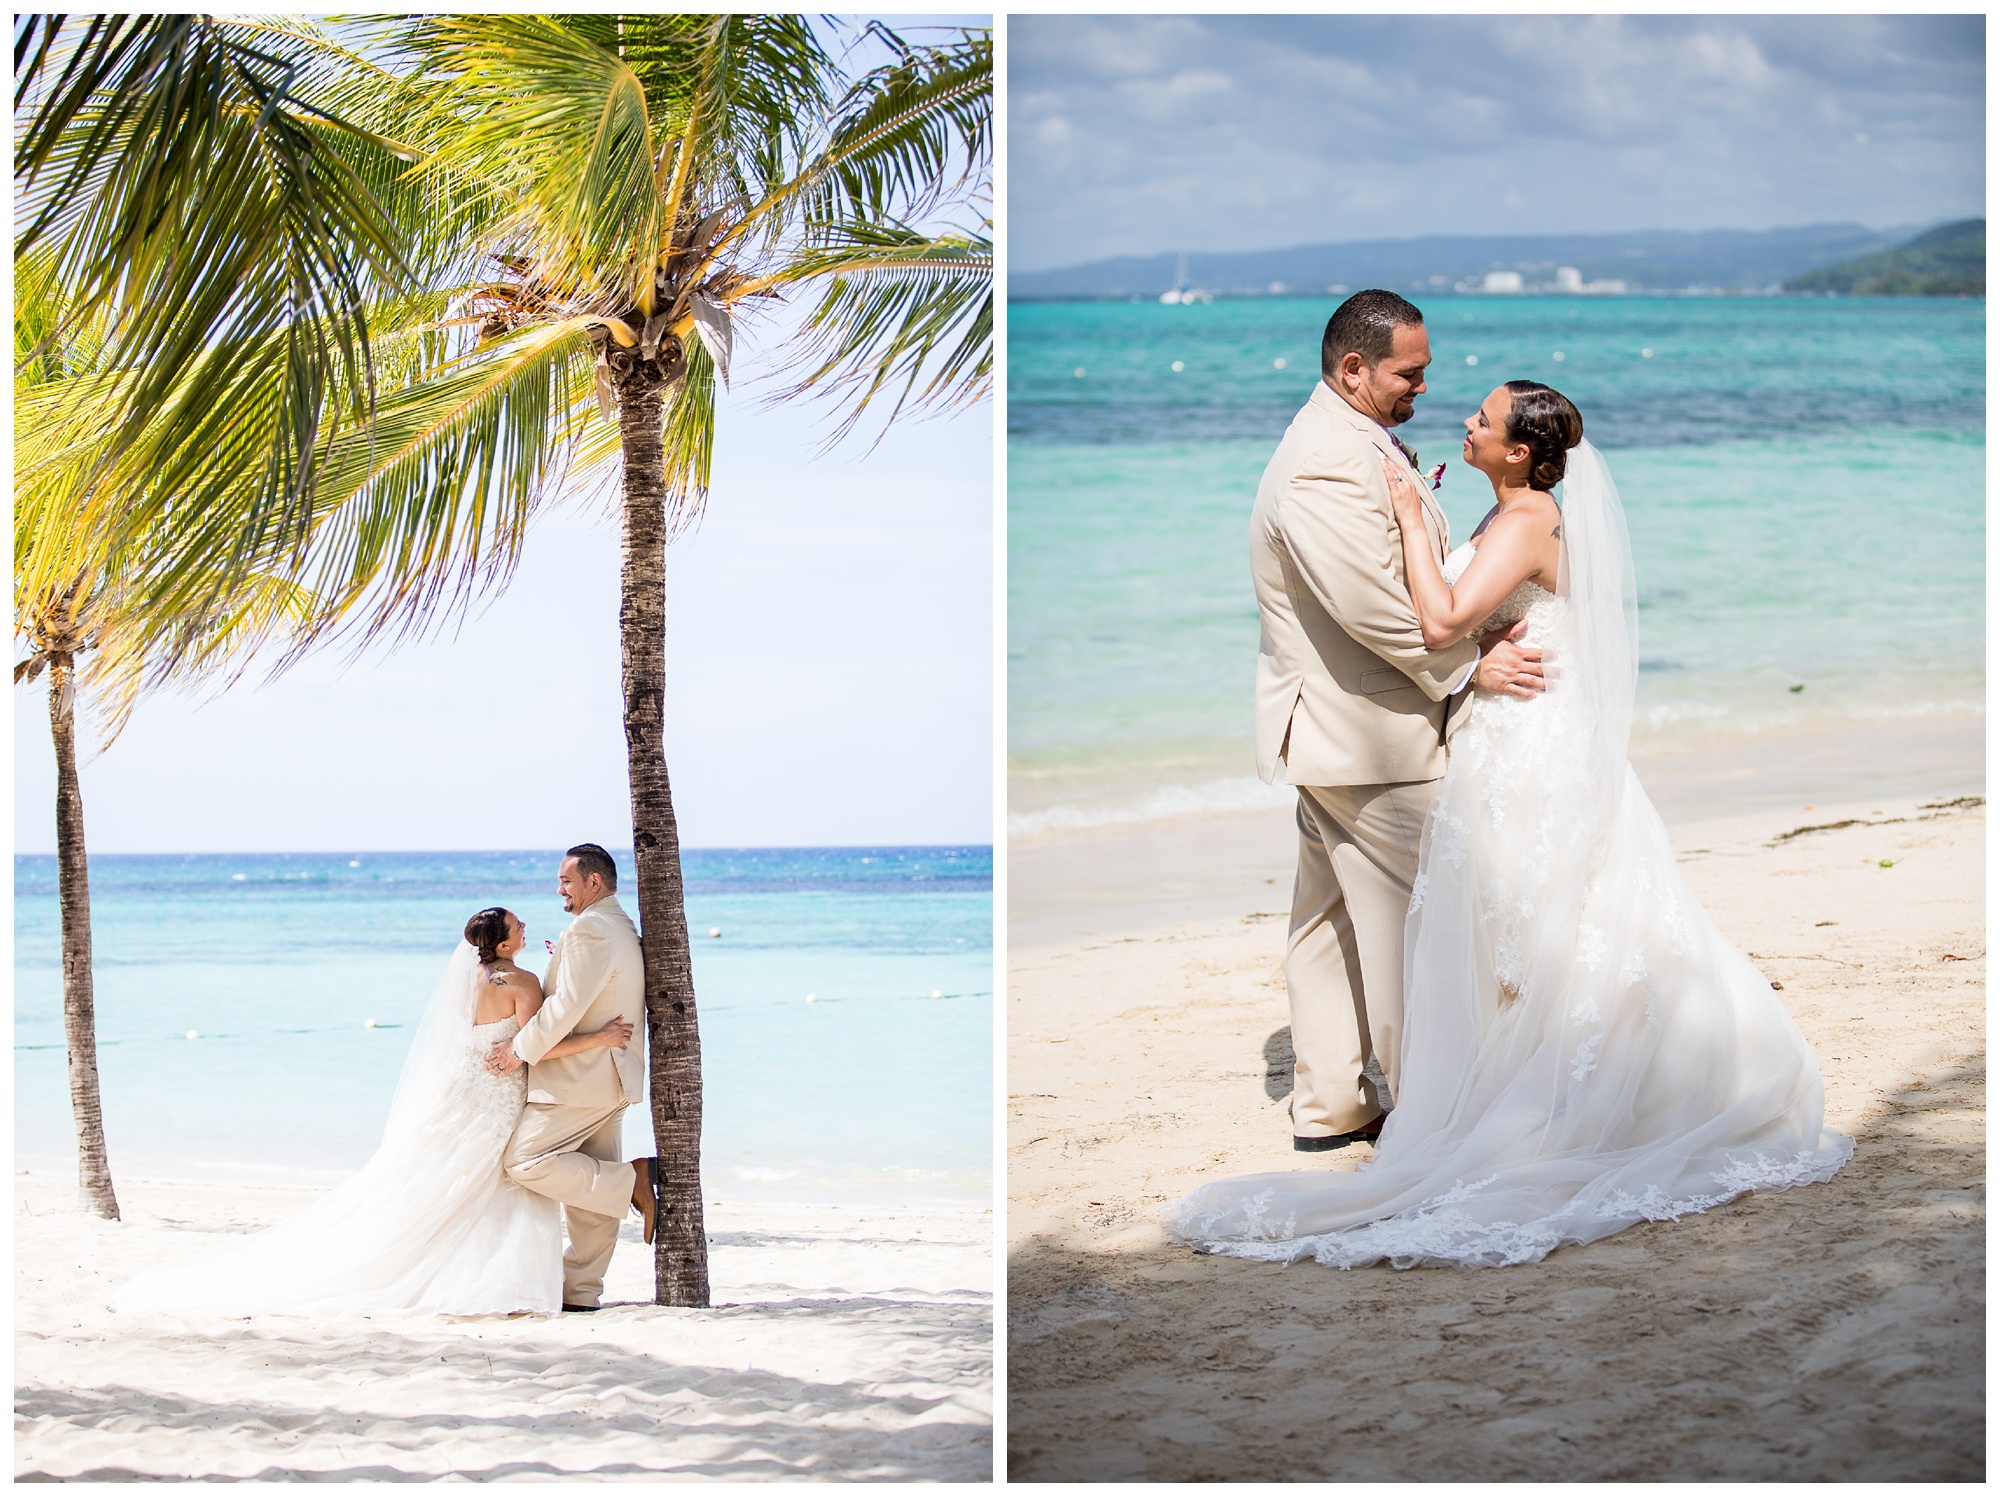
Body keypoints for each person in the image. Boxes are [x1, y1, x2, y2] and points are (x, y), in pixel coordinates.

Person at [1169, 379, 1852, 1269]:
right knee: (1519, 922)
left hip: (1530, 741)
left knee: (1532, 921)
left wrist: (1414, 525)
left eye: (1483, 421)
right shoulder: (1510, 514)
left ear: (1522, 452)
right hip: (1496, 737)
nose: (1465, 421)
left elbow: (1446, 616)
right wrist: (1442, 555)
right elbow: (1465, 621)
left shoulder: (1529, 520)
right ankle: (1429, 1090)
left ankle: (1523, 1098)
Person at [1246, 289, 1546, 1154]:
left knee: (1328, 923)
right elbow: (1370, 607)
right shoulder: (1321, 463)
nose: (1423, 388)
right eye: (1409, 373)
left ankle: (1333, 1106)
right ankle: (1435, 1112)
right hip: (1372, 736)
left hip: (1340, 732)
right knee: (1420, 931)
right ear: (1353, 369)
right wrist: (1469, 665)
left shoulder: (1350, 439)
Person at [117, 907, 634, 1317]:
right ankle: (511, 1280)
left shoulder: (476, 978)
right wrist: (602, 1037)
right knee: (498, 1182)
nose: (526, 928)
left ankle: (491, 1279)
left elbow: (486, 1039)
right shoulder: (519, 983)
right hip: (497, 1096)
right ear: (502, 943)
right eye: (519, 927)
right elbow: (536, 1045)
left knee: (457, 1183)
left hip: (468, 1087)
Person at [484, 843, 658, 1312]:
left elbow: (565, 1006)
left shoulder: (590, 931)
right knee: (589, 1195)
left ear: (592, 882)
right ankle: (581, 1294)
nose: (559, 888)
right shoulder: (619, 925)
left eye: (566, 880)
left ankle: (631, 1180)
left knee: (524, 1161)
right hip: (610, 1077)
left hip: (578, 1079)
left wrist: (519, 1050)